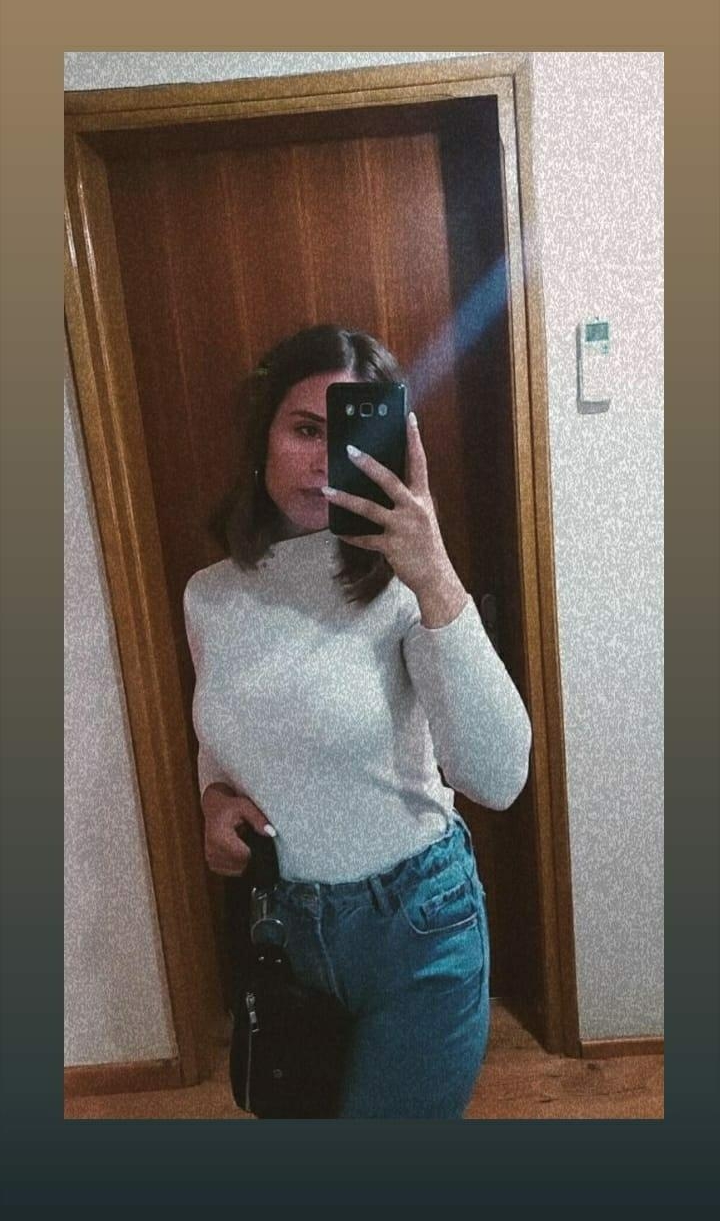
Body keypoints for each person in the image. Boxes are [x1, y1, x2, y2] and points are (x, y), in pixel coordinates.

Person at [183, 323, 532, 1118]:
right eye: (305, 429)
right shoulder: (210, 595)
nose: (323, 459)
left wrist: (435, 574)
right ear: (263, 437)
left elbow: (499, 775)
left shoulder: (405, 587)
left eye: (348, 436)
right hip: (284, 930)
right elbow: (222, 736)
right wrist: (213, 799)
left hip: (417, 925)